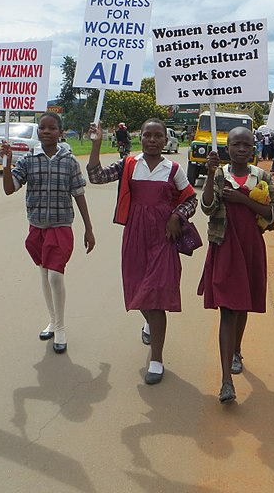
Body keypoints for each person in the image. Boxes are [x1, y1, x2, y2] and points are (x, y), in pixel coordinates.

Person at [87, 118, 197, 385]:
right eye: (147, 135)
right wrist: (97, 145)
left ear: (166, 139)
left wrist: (177, 215)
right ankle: (148, 323)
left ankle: (157, 359)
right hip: (135, 235)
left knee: (157, 296)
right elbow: (96, 176)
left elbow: (191, 199)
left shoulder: (173, 169)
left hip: (163, 238)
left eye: (158, 135)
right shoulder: (129, 164)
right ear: (140, 138)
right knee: (137, 290)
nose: (152, 140)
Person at [0, 112, 95, 353]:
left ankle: (61, 328)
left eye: (52, 128)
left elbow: (79, 193)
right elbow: (10, 189)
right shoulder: (29, 160)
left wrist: (89, 228)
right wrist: (6, 162)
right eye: (42, 128)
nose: (46, 131)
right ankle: (52, 321)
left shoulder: (69, 161)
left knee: (55, 275)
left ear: (61, 132)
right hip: (37, 225)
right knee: (43, 273)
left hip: (61, 225)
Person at [198, 127, 274, 403]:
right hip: (225, 245)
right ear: (227, 147)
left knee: (241, 305)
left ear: (254, 149)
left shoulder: (262, 177)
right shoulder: (220, 174)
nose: (241, 149)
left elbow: (273, 214)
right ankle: (225, 381)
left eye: (246, 144)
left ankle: (236, 350)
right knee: (228, 310)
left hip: (250, 247)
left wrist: (244, 200)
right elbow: (207, 207)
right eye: (236, 144)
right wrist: (209, 174)